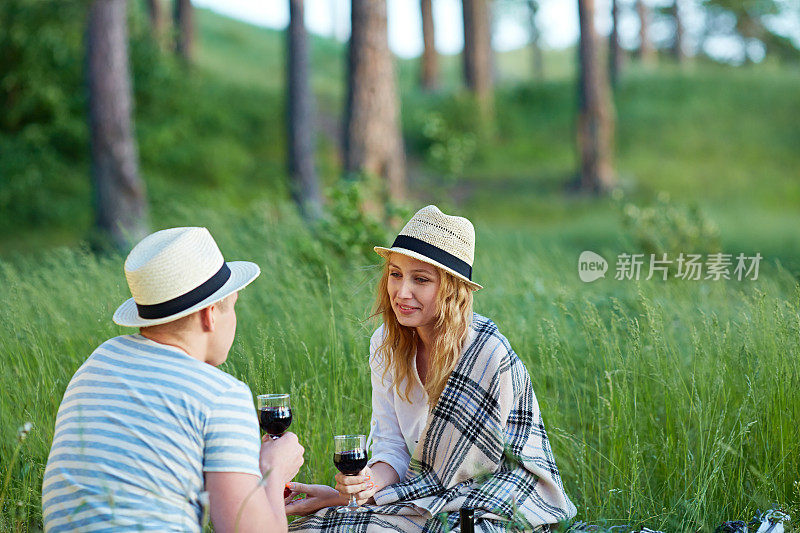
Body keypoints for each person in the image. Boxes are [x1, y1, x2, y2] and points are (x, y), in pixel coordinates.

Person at [286, 206, 576, 532]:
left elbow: (475, 472)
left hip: (495, 499)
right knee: (315, 528)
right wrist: (364, 484)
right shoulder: (385, 344)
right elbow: (392, 446)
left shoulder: (485, 353)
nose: (402, 292)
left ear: (452, 290)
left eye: (420, 279)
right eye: (395, 274)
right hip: (424, 497)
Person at [42, 227, 304, 532]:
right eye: (233, 307)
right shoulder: (220, 395)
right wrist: (271, 472)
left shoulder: (98, 361)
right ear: (210, 315)